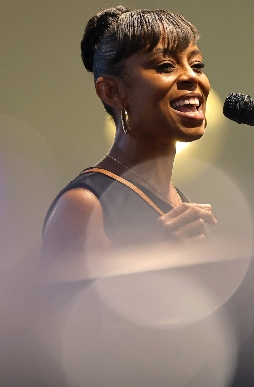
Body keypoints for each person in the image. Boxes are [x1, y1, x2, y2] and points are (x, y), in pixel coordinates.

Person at [42, 6, 217, 261]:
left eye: (197, 65)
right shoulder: (84, 205)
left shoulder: (178, 199)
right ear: (112, 92)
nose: (192, 77)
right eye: (166, 66)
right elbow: (62, 301)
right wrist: (157, 252)